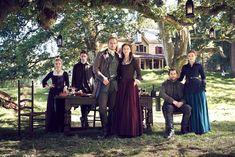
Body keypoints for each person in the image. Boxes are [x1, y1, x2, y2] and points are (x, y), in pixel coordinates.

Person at [111, 43, 143, 137]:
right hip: (122, 86)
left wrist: (136, 81)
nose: (125, 50)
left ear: (130, 50)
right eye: (124, 49)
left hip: (130, 86)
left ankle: (131, 131)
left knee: (130, 108)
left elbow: (139, 74)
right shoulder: (120, 61)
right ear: (122, 50)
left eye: (127, 49)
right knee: (122, 107)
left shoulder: (134, 61)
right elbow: (117, 73)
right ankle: (121, 131)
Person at [178, 50, 211, 134]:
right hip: (188, 89)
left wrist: (203, 87)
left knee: (199, 108)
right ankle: (191, 128)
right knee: (191, 108)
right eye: (189, 56)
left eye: (192, 55)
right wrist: (172, 79)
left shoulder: (199, 65)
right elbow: (181, 78)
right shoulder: (185, 67)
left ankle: (201, 127)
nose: (190, 57)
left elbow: (203, 77)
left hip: (198, 88)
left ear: (195, 56)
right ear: (187, 57)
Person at [93, 36, 119, 137]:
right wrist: (103, 78)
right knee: (102, 108)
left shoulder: (118, 56)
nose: (112, 44)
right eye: (111, 43)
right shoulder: (101, 54)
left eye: (114, 43)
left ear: (116, 44)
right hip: (104, 83)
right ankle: (104, 130)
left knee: (113, 108)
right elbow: (95, 69)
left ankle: (111, 130)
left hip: (114, 85)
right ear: (108, 44)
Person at [160, 68, 192, 139]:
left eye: (174, 74)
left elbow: (185, 96)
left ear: (177, 75)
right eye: (171, 74)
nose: (173, 75)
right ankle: (170, 130)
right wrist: (173, 101)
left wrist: (182, 102)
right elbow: (162, 94)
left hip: (179, 105)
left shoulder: (181, 85)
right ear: (169, 75)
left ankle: (184, 129)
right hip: (169, 105)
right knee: (168, 108)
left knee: (188, 108)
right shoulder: (164, 84)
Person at [42, 57, 69, 132]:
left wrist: (65, 87)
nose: (58, 65)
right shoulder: (51, 73)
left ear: (61, 64)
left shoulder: (65, 73)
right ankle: (51, 128)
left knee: (61, 109)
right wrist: (49, 86)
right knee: (51, 109)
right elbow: (44, 81)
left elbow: (67, 84)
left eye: (59, 64)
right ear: (54, 65)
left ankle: (60, 128)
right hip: (52, 93)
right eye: (56, 64)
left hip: (61, 93)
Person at [71, 50, 94, 127]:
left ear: (87, 57)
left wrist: (95, 89)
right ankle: (85, 121)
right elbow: (73, 78)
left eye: (84, 56)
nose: (83, 57)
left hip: (89, 89)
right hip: (79, 89)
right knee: (82, 105)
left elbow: (95, 78)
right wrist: (74, 88)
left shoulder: (91, 66)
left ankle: (83, 118)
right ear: (80, 57)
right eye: (82, 56)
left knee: (90, 105)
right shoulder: (76, 66)